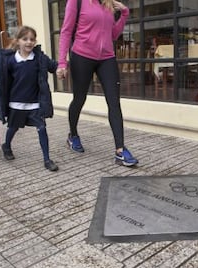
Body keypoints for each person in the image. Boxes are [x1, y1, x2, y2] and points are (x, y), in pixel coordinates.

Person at [56, 0, 138, 167]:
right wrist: (62, 63)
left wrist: (123, 14)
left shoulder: (108, 4)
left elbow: (113, 35)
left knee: (114, 102)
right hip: (82, 56)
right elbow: (66, 31)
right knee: (79, 99)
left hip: (107, 58)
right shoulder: (77, 2)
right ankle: (73, 135)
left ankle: (120, 150)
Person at [0, 26, 59, 172]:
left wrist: (63, 68)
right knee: (13, 128)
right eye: (25, 39)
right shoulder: (9, 60)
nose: (29, 42)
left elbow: (54, 66)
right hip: (16, 104)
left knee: (42, 129)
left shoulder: (39, 58)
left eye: (32, 39)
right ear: (17, 41)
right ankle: (6, 145)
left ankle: (47, 159)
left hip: (35, 104)